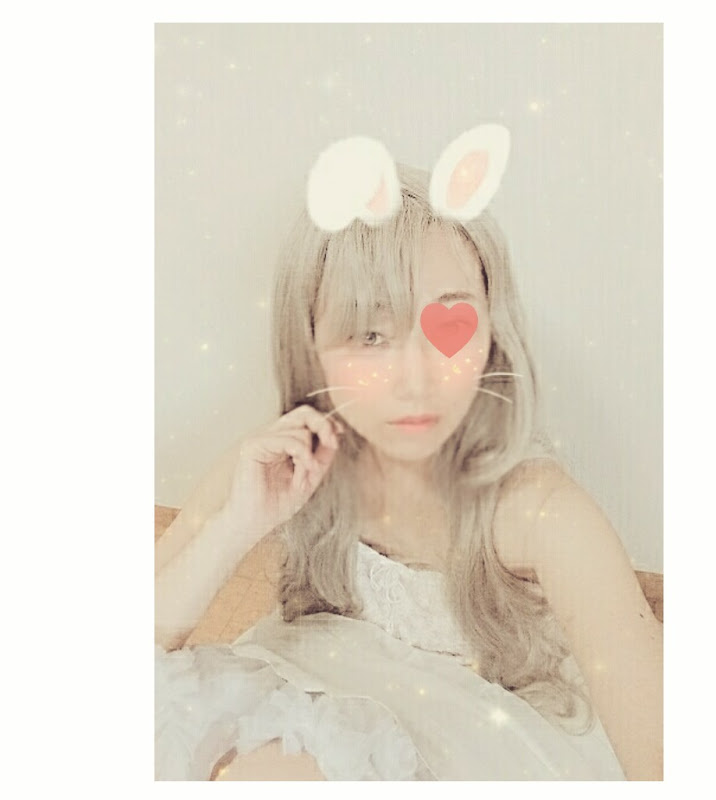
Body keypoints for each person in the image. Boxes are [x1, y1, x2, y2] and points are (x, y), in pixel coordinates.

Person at [154, 128, 663, 781]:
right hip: (317, 678)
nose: (416, 377)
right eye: (370, 334)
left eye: (450, 323)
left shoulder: (538, 512)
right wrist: (234, 527)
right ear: (311, 343)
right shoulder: (287, 463)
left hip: (484, 731)